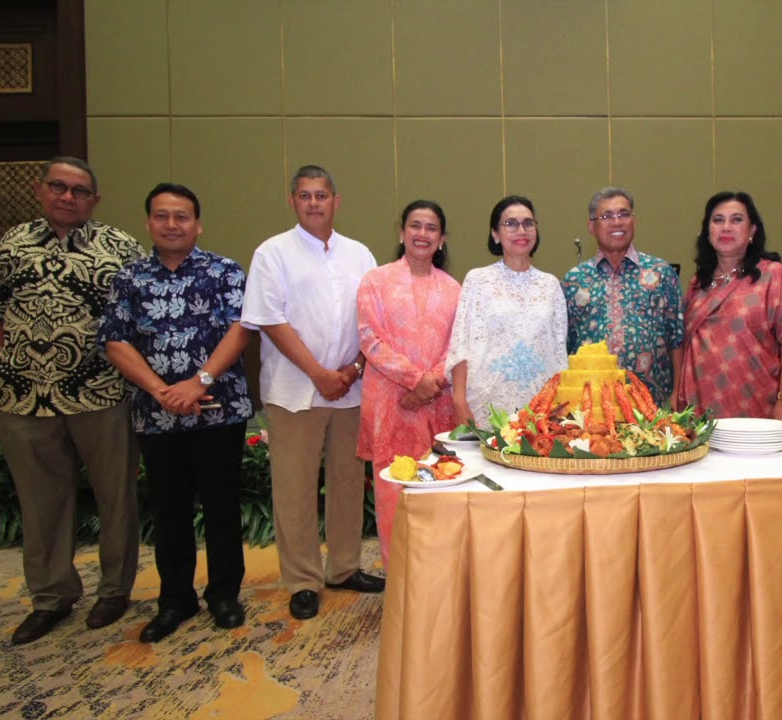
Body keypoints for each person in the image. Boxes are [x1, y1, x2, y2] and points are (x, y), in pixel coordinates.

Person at [0, 157, 142, 645]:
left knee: (117, 497)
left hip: (101, 394)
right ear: (40, 189)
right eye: (58, 187)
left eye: (79, 191)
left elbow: (138, 322)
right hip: (24, 399)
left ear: (94, 200)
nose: (67, 197)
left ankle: (114, 591)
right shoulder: (13, 243)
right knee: (41, 502)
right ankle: (51, 596)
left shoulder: (119, 247)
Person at [100, 183, 252, 642]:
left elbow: (241, 329)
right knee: (169, 510)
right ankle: (175, 600)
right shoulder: (128, 280)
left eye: (181, 216)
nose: (172, 224)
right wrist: (163, 391)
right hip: (157, 414)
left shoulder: (224, 271)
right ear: (148, 222)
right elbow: (115, 341)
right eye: (162, 216)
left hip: (219, 410)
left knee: (222, 505)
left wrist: (198, 382)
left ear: (198, 224)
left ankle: (224, 594)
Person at [241, 165, 384, 622]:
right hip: (294, 391)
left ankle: (343, 568)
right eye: (305, 195)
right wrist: (320, 373)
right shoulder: (273, 254)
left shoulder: (360, 254)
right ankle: (302, 580)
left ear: (336, 201)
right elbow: (270, 320)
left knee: (346, 482)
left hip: (350, 387)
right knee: (295, 488)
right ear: (293, 201)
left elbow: (372, 320)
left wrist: (355, 367)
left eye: (322, 195)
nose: (314, 203)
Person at [357, 200, 461, 566]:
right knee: (393, 496)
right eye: (415, 226)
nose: (422, 234)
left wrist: (429, 384)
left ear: (442, 239)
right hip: (392, 404)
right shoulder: (376, 281)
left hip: (438, 405)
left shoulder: (454, 289)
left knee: (440, 491)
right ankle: (399, 586)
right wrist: (416, 381)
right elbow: (370, 340)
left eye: (431, 228)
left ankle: (441, 581)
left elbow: (459, 345)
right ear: (401, 233)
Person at [676, 191, 782, 421]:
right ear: (708, 232)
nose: (726, 227)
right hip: (698, 411)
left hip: (755, 405)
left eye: (736, 220)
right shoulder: (699, 283)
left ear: (752, 231)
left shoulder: (772, 275)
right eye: (718, 220)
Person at [448, 195, 567, 429]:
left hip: (541, 410)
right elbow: (460, 344)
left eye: (528, 223)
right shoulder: (478, 280)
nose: (521, 230)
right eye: (511, 224)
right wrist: (459, 402)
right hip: (486, 406)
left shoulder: (550, 285)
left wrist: (560, 405)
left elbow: (559, 353)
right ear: (495, 234)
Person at [562, 187, 684, 407]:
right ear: (592, 227)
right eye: (606, 216)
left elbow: (676, 338)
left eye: (624, 214)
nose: (617, 222)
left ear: (634, 221)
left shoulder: (661, 273)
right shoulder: (574, 280)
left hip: (653, 403)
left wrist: (677, 392)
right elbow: (565, 346)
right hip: (593, 405)